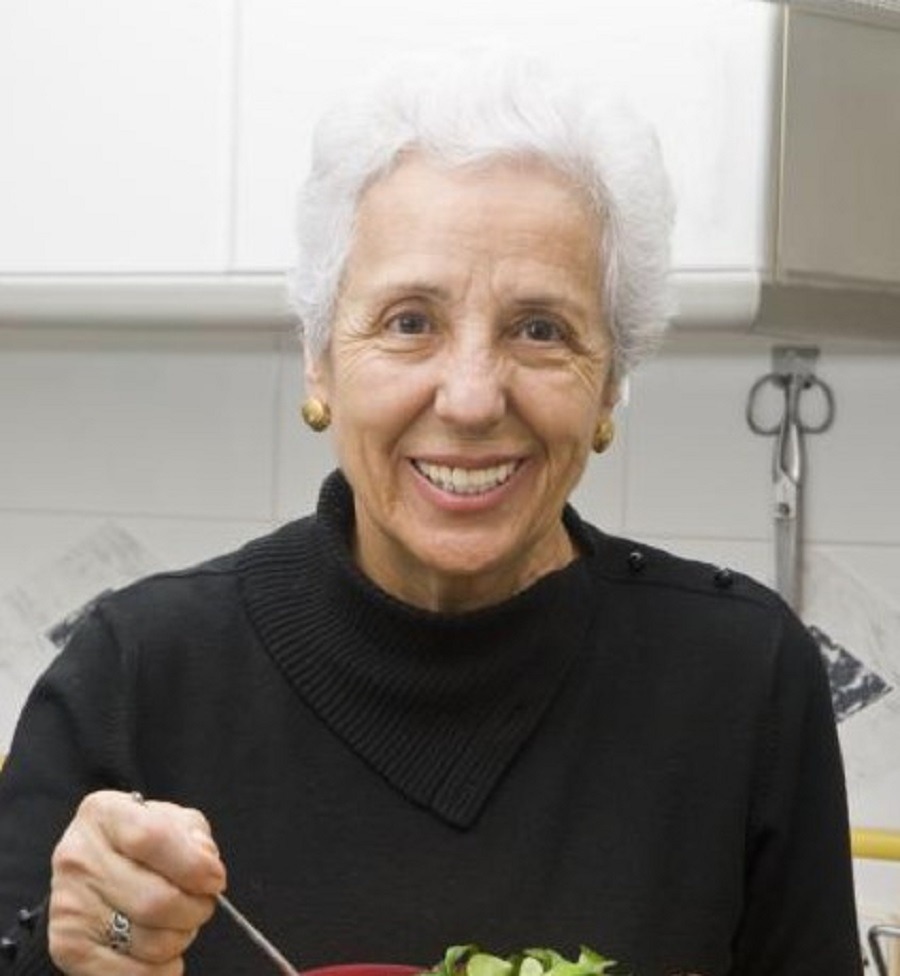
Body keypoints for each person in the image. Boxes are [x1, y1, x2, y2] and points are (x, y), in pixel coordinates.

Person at [0, 49, 861, 976]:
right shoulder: (141, 670)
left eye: (541, 329)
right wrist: (81, 950)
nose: (470, 397)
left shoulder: (741, 680)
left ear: (612, 380)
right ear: (322, 357)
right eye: (410, 321)